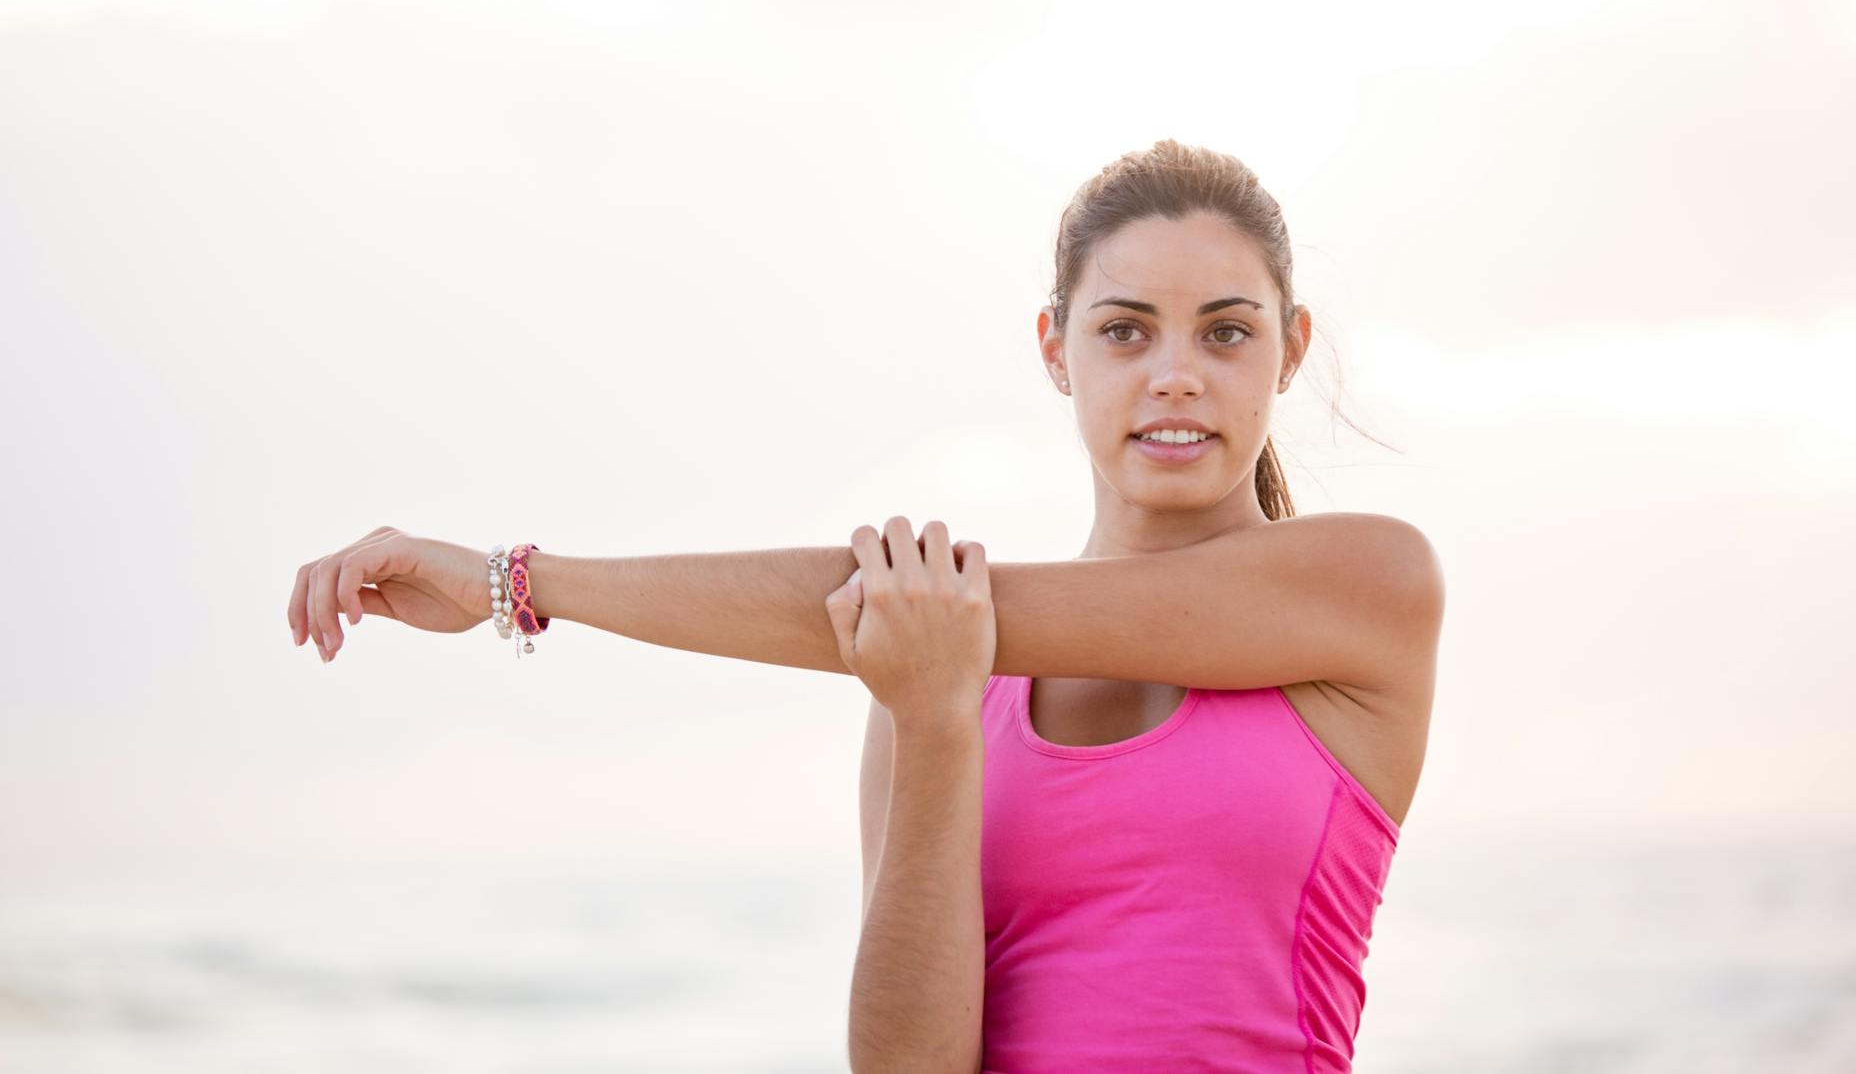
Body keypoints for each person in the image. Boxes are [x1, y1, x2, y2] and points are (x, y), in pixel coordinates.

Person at [284, 138, 1444, 1072]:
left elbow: (866, 605)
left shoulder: (1365, 589)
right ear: (1055, 349)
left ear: (1289, 349)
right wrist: (935, 717)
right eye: (1124, 328)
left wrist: (515, 581)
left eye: (1225, 331)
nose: (1174, 373)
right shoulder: (930, 662)